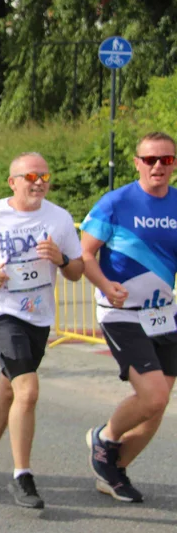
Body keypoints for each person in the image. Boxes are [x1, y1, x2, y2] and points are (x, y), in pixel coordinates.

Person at [0, 153, 84, 509]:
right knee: (27, 390)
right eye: (30, 175)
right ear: (13, 182)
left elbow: (77, 271)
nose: (39, 181)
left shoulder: (58, 218)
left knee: (8, 388)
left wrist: (60, 259)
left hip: (38, 317)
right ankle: (22, 476)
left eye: (44, 175)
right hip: (2, 313)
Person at [80, 131, 177, 504]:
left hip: (163, 314)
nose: (157, 166)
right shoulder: (116, 202)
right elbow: (86, 254)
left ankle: (113, 471)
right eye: (150, 159)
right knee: (151, 396)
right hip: (121, 313)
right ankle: (104, 438)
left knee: (158, 404)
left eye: (165, 160)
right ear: (136, 162)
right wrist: (105, 284)